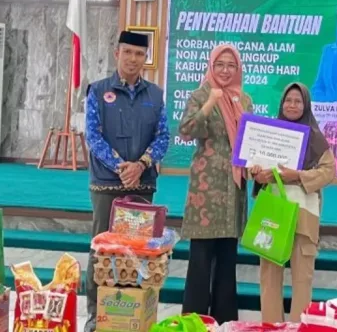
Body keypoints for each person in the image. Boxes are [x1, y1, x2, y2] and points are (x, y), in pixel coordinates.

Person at [83, 31, 169, 332]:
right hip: (107, 183)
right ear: (116, 53)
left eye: (139, 54)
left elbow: (163, 137)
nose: (133, 59)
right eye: (128, 52)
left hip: (142, 186)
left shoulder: (155, 95)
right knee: (102, 251)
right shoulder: (97, 91)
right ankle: (96, 317)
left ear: (145, 58)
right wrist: (122, 167)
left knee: (139, 254)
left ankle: (132, 318)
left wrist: (141, 165)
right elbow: (93, 136)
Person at [249, 83, 337, 323]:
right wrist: (257, 174)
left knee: (302, 278)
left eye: (298, 101)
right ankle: (270, 326)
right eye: (288, 100)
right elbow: (255, 167)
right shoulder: (270, 134)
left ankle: (299, 326)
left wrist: (297, 175)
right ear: (281, 104)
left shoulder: (316, 138)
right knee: (269, 276)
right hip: (273, 212)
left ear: (306, 105)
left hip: (304, 215)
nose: (292, 105)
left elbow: (328, 172)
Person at [179, 44, 253, 324]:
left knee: (227, 261)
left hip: (233, 190)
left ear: (238, 69)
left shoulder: (244, 100)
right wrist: (211, 101)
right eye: (220, 64)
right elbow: (186, 130)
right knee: (200, 260)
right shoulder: (200, 95)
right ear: (211, 66)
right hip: (206, 191)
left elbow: (249, 140)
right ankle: (194, 323)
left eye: (231, 65)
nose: (225, 70)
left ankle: (225, 323)